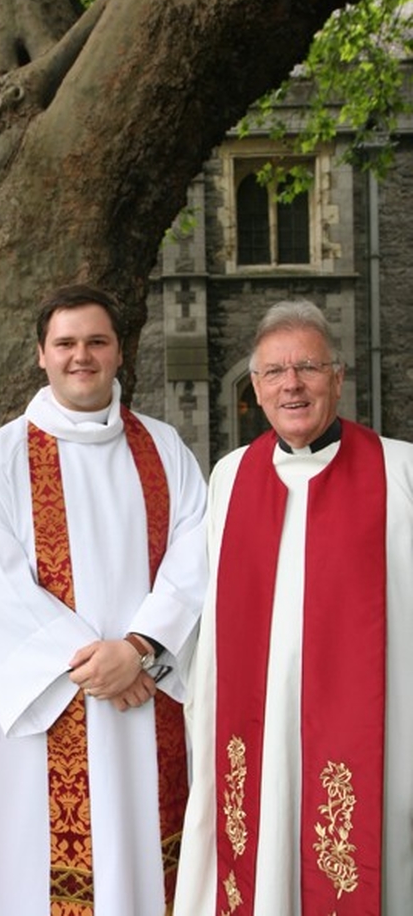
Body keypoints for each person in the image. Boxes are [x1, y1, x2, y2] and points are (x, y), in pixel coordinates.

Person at [0, 284, 208, 916]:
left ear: (119, 351)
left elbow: (196, 552)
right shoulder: (3, 454)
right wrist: (99, 665)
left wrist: (141, 647)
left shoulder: (164, 447)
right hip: (51, 711)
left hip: (146, 691)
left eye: (96, 341)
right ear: (41, 355)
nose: (82, 356)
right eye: (65, 343)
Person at [174, 299, 413, 916]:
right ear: (255, 386)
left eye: (308, 366)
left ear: (337, 377)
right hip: (260, 726)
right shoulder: (228, 478)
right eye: (275, 372)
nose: (292, 384)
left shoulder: (400, 472)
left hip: (376, 727)